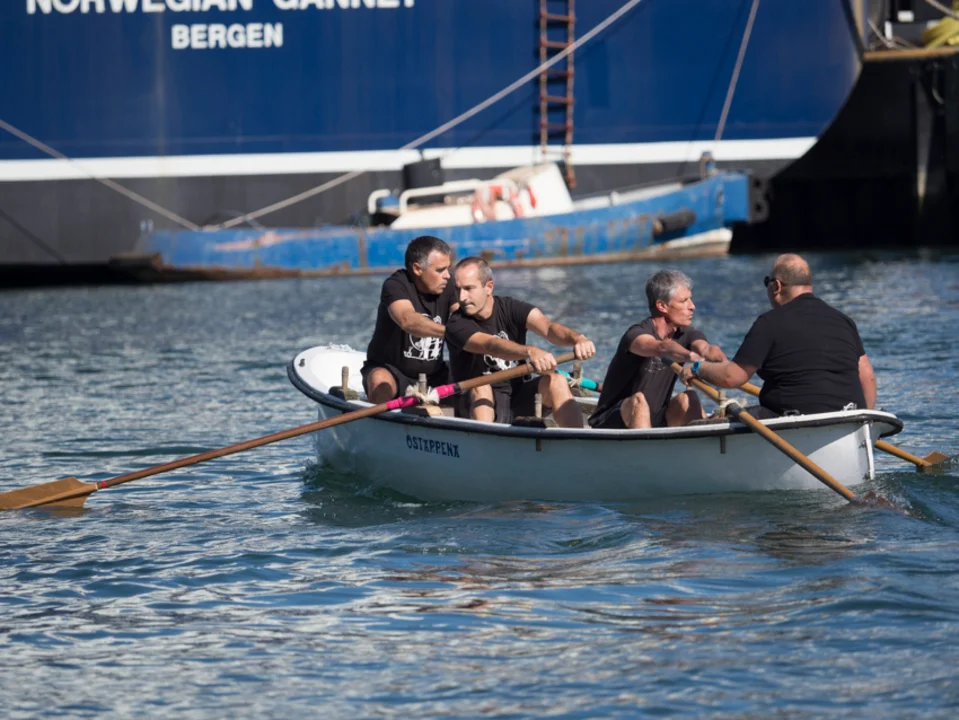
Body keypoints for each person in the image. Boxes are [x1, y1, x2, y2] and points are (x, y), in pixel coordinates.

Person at [680, 253, 876, 416]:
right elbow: (867, 377)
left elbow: (732, 377)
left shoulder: (769, 323)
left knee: (722, 417)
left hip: (792, 418)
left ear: (777, 286)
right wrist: (864, 425)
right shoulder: (844, 321)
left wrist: (698, 368)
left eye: (767, 282)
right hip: (850, 415)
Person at [445, 257, 595, 427]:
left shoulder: (511, 307)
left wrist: (578, 339)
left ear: (489, 287)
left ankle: (576, 438)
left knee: (557, 380)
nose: (462, 297)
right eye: (458, 289)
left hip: (517, 397)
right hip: (476, 402)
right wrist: (530, 351)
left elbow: (548, 328)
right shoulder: (455, 324)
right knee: (482, 387)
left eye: (468, 289)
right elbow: (491, 345)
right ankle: (485, 440)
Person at [589, 269, 727, 430]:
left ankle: (702, 442)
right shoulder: (635, 335)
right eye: (684, 301)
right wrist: (691, 357)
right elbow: (662, 347)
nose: (692, 306)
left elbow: (706, 349)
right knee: (638, 401)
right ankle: (646, 445)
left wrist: (724, 365)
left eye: (690, 299)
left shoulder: (687, 333)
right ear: (662, 306)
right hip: (611, 420)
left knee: (689, 398)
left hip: (655, 418)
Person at [362, 235, 458, 403]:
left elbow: (464, 318)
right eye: (440, 270)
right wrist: (453, 333)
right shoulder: (396, 285)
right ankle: (377, 416)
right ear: (417, 269)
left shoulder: (448, 286)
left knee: (476, 378)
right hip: (392, 372)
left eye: (448, 269)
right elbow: (407, 320)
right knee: (380, 381)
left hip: (435, 375)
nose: (447, 276)